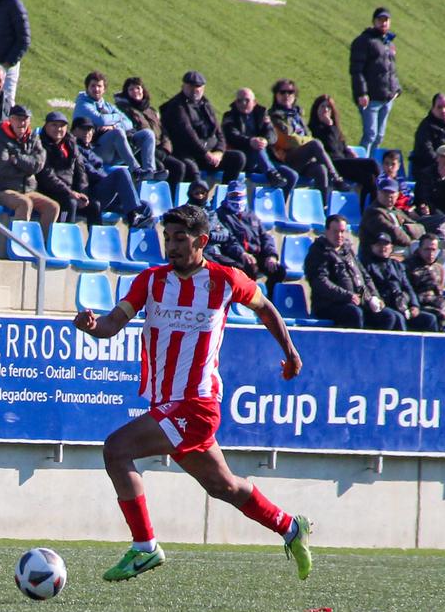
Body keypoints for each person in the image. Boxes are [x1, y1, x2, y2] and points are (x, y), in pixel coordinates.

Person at [72, 203, 315, 583]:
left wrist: (290, 351)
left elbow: (266, 308)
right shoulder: (150, 281)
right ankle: (289, 528)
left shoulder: (225, 279)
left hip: (197, 405)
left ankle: (144, 548)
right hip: (167, 405)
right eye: (167, 238)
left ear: (201, 241)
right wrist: (93, 326)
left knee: (116, 450)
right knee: (224, 486)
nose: (171, 245)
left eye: (180, 238)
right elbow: (114, 323)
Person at [306, 213, 390, 330]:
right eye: (336, 231)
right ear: (326, 231)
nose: (339, 235)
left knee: (388, 316)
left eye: (342, 231)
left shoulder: (348, 251)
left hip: (357, 301)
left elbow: (365, 277)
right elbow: (320, 281)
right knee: (354, 313)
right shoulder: (319, 251)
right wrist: (347, 296)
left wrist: (374, 296)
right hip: (330, 304)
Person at [160, 71, 245, 182]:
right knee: (191, 169)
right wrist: (206, 153)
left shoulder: (205, 104)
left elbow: (219, 132)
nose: (195, 90)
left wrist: (219, 152)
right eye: (191, 86)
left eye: (198, 87)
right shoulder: (176, 106)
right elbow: (188, 133)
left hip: (209, 154)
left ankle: (227, 194)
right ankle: (197, 197)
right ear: (183, 86)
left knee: (238, 158)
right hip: (188, 153)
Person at [0, 105, 58, 226]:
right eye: (18, 119)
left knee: (53, 207)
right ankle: (17, 241)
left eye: (25, 119)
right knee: (24, 203)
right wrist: (28, 170)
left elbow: (38, 164)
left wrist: (17, 160)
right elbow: (2, 168)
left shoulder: (34, 137)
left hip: (28, 190)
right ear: (11, 119)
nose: (22, 123)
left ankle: (41, 242)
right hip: (2, 190)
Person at [115, 75, 194, 184]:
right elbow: (133, 133)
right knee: (160, 167)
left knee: (179, 167)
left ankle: (170, 197)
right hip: (140, 149)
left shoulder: (150, 110)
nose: (135, 91)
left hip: (160, 149)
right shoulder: (125, 110)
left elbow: (163, 131)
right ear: (126, 92)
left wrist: (166, 148)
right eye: (131, 89)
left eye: (138, 88)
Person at [74, 70, 155, 174]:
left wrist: (113, 125)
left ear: (104, 89)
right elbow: (101, 120)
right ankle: (136, 170)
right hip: (94, 151)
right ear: (87, 88)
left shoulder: (106, 105)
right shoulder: (83, 104)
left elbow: (128, 123)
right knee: (118, 132)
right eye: (93, 86)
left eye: (99, 86)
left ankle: (150, 171)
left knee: (148, 134)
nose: (96, 89)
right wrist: (117, 118)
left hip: (115, 151)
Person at [348, 6, 401, 153]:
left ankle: (372, 168)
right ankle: (362, 167)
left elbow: (391, 70)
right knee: (370, 135)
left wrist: (397, 89)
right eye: (380, 20)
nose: (383, 23)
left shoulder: (388, 43)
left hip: (387, 98)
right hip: (371, 98)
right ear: (374, 21)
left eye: (386, 20)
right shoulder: (364, 41)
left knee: (379, 136)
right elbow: (356, 70)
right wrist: (361, 93)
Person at [33, 111, 98, 224]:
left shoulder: (71, 143)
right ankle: (63, 236)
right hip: (50, 191)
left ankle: (98, 241)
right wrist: (70, 193)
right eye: (54, 125)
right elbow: (47, 176)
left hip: (71, 192)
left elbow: (81, 171)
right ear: (46, 126)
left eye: (62, 126)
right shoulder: (40, 144)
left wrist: (82, 193)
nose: (58, 129)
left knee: (94, 205)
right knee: (70, 202)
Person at [309, 94, 381, 194]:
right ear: (316, 109)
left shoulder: (335, 129)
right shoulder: (313, 129)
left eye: (328, 107)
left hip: (343, 162)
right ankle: (385, 185)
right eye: (322, 106)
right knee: (371, 163)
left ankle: (370, 205)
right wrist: (330, 127)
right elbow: (330, 147)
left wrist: (349, 152)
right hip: (331, 165)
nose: (325, 110)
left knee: (368, 178)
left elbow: (341, 147)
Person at [407, 235, 445, 331]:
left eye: (434, 250)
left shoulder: (438, 268)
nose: (431, 253)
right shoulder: (409, 266)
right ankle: (438, 344)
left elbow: (439, 293)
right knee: (438, 316)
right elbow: (410, 292)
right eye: (427, 250)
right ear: (419, 249)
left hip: (437, 305)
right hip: (420, 306)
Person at [362, 232, 417, 327]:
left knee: (429, 319)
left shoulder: (398, 266)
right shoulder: (366, 265)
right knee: (395, 317)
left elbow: (407, 287)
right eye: (378, 244)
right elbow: (365, 287)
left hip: (400, 304)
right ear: (372, 247)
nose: (382, 247)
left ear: (391, 247)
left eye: (386, 244)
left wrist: (414, 305)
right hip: (379, 305)